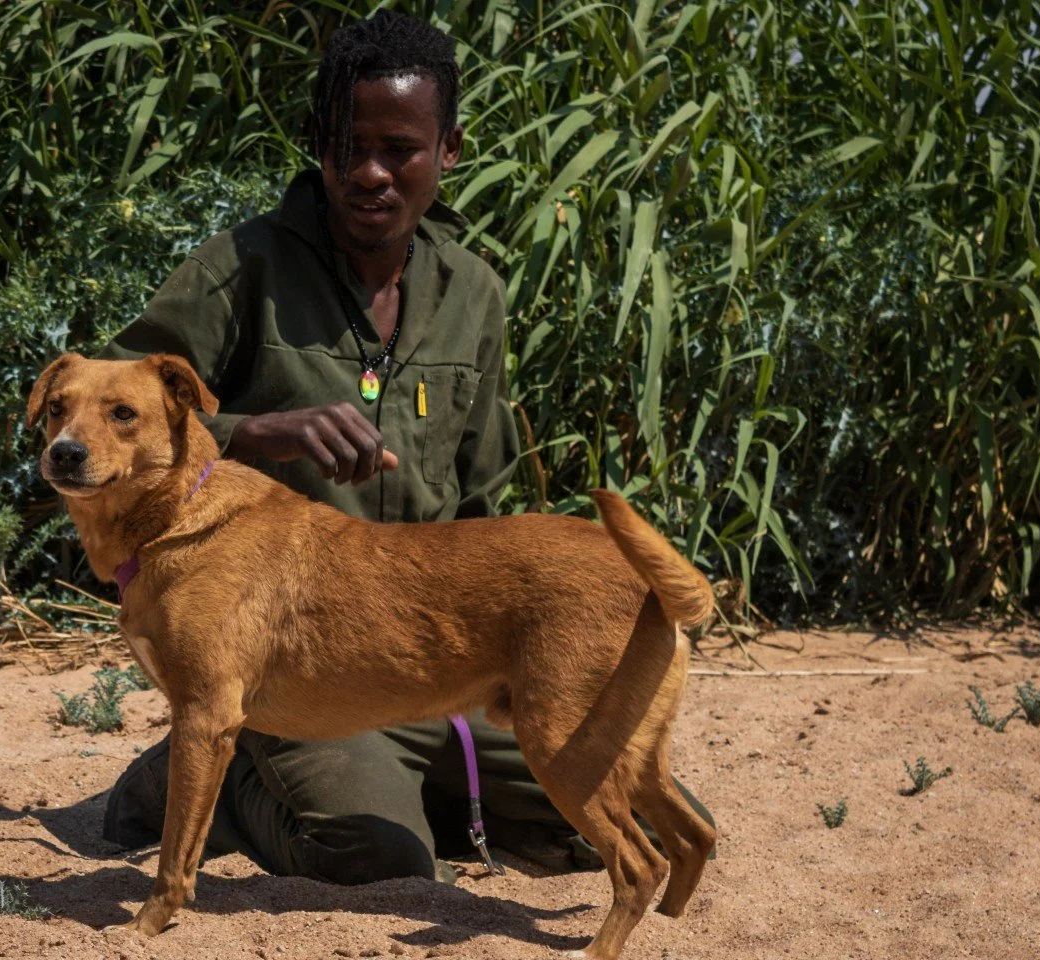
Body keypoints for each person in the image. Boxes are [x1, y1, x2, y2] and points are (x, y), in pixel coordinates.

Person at [98, 9, 713, 885]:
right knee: (375, 857)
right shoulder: (242, 266)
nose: (371, 172)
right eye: (349, 145)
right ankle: (219, 777)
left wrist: (513, 619)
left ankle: (414, 787)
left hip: (433, 654)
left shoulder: (473, 291)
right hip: (299, 670)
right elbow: (115, 412)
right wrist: (255, 433)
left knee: (614, 814)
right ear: (318, 144)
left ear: (449, 149)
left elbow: (485, 497)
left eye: (401, 148)